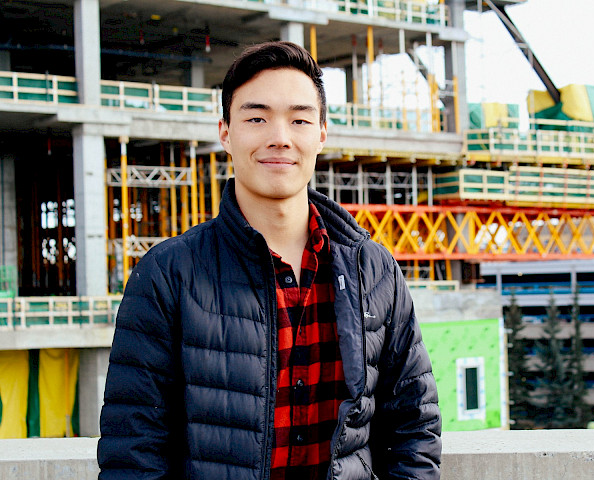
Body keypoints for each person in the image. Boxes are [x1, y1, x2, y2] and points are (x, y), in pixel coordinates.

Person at [97, 41, 441, 480]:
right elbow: (134, 451)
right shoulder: (167, 275)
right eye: (257, 118)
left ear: (321, 133)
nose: (280, 136)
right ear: (225, 132)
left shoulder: (373, 271)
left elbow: (414, 426)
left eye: (299, 119)